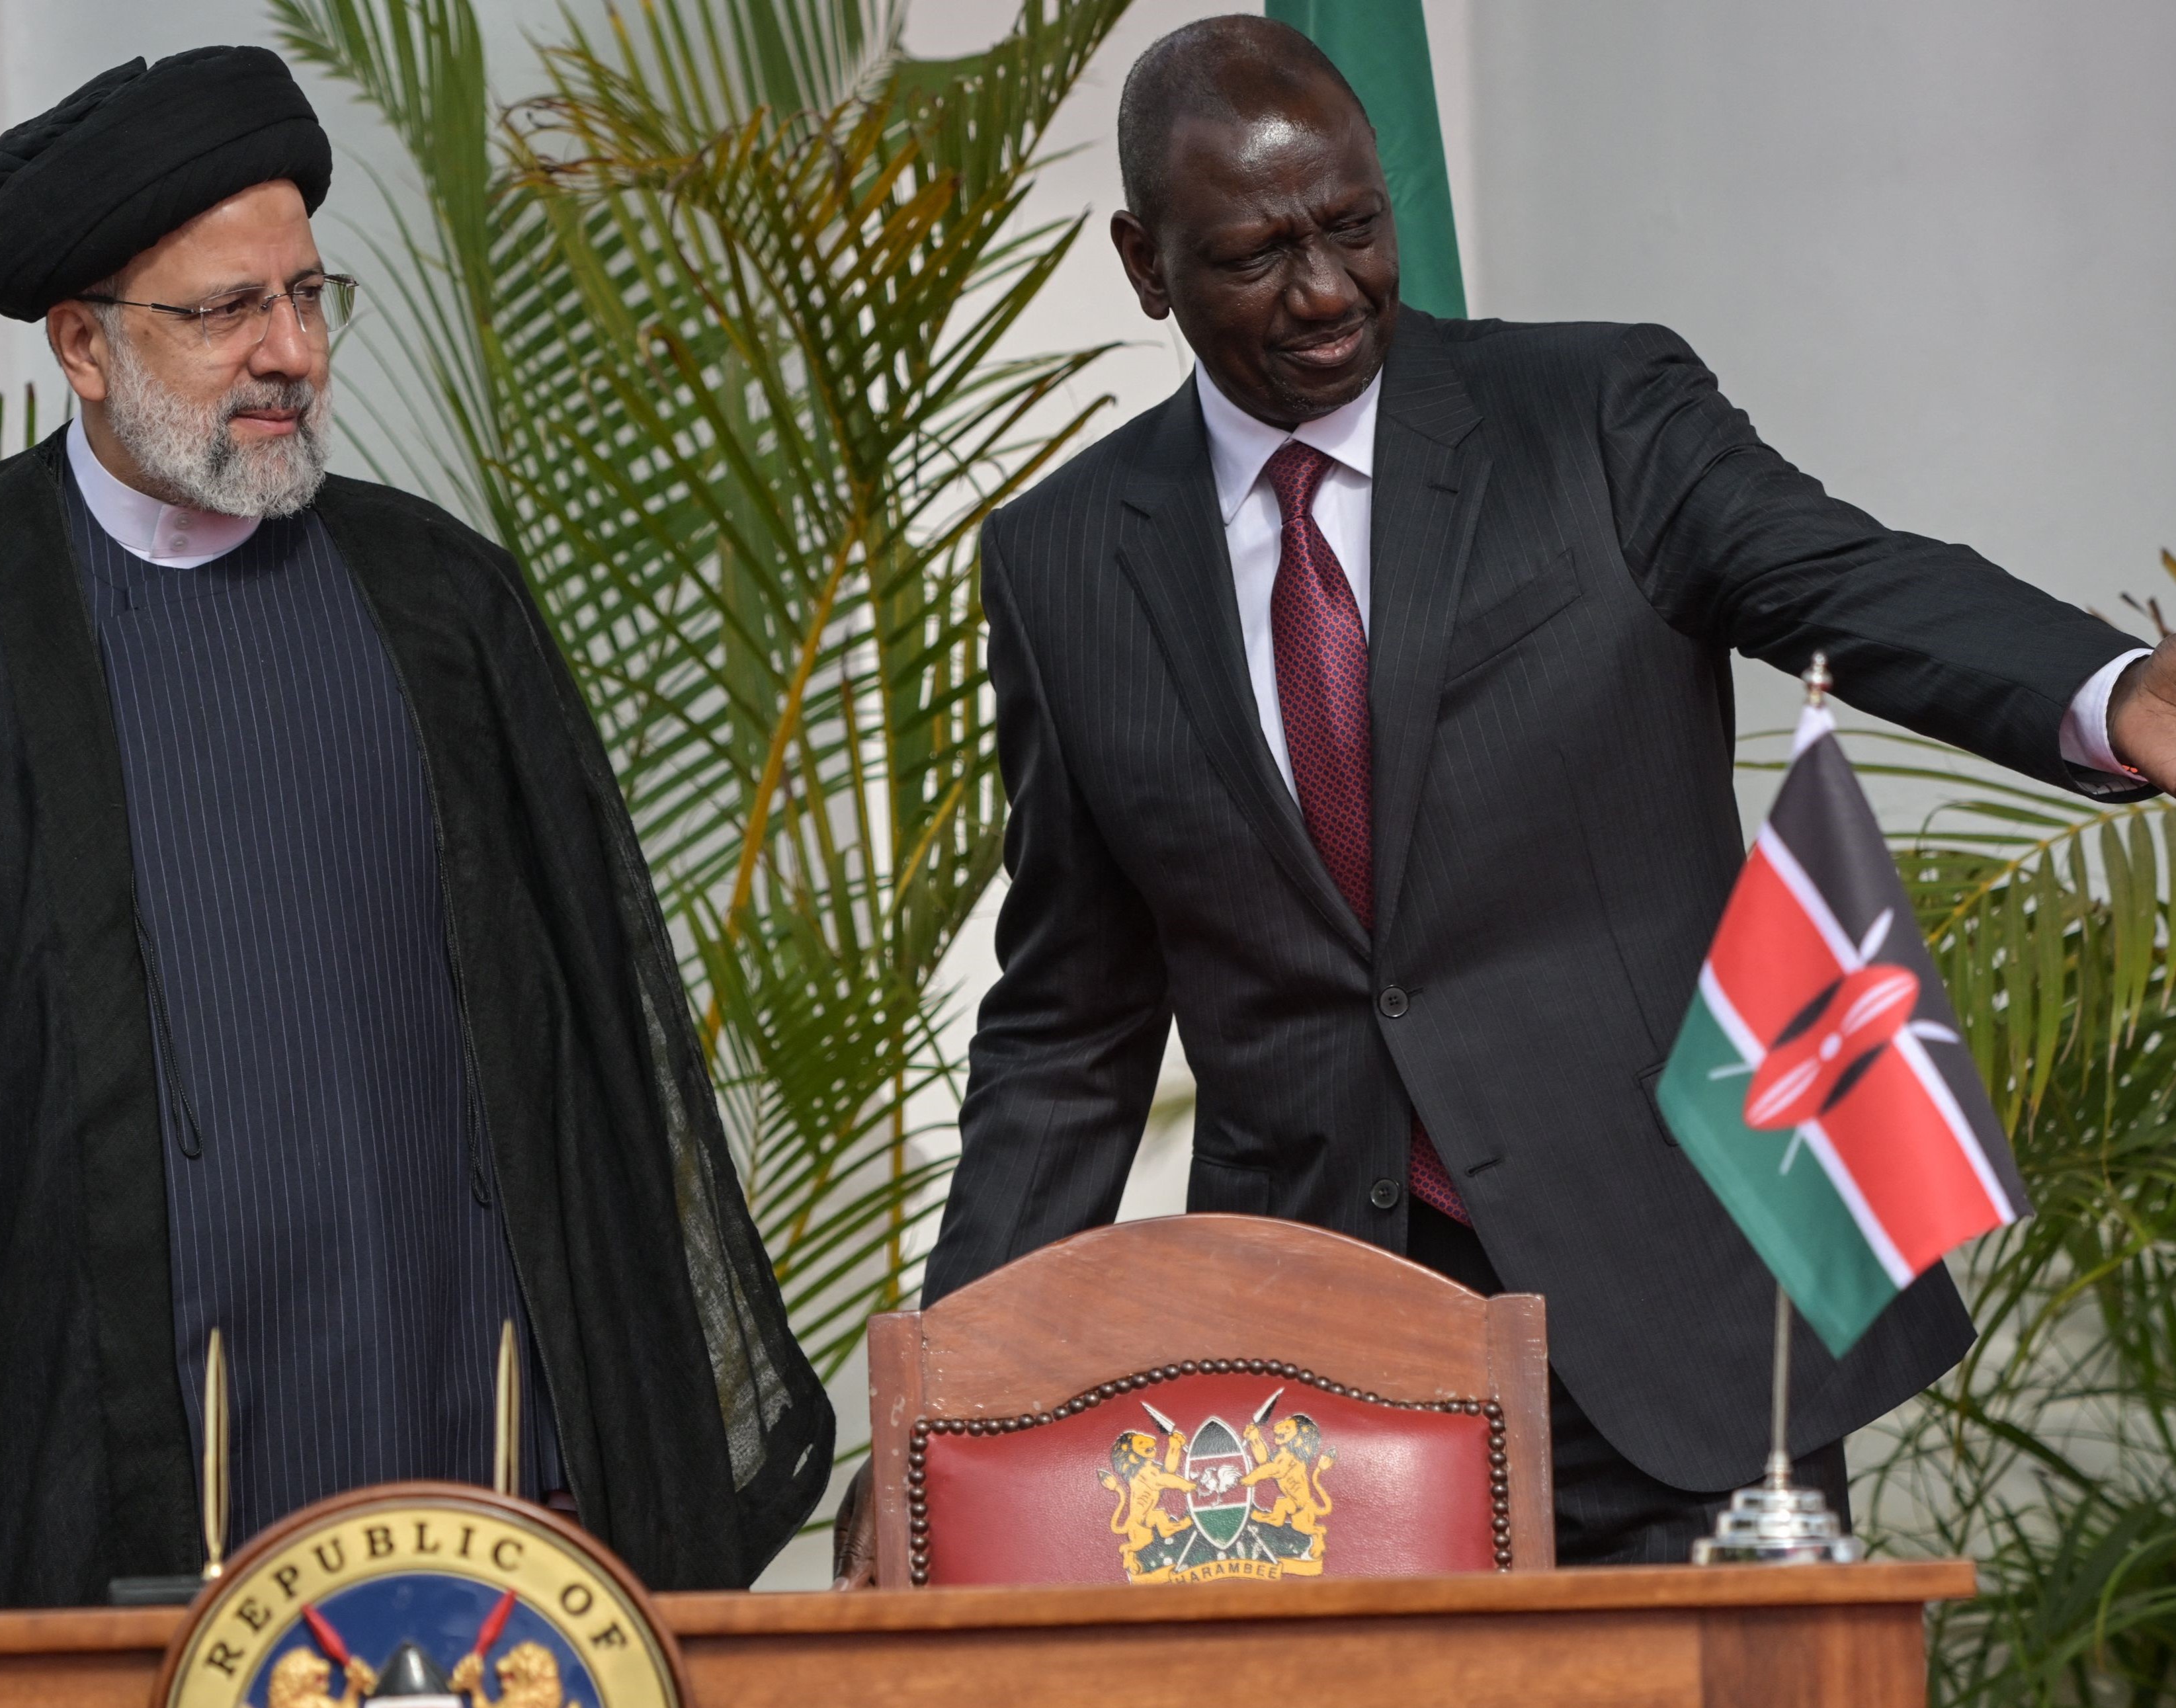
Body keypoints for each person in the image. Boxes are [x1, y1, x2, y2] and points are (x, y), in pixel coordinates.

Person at [915, 15, 2176, 1579]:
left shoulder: (1593, 414)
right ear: (1143, 263)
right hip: (1322, 1391)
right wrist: (955, 1397)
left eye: (1352, 229)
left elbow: (1846, 578)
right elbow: (1069, 1022)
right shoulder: (1060, 562)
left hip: (1690, 1317)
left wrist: (2114, 689)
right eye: (1253, 256)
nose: (1324, 294)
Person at [0, 46, 830, 1613]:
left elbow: (601, 1049)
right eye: (229, 308)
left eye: (309, 295)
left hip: (477, 1462)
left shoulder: (443, 600)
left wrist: (619, 1441)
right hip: (77, 1482)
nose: (290, 349)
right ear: (83, 345)